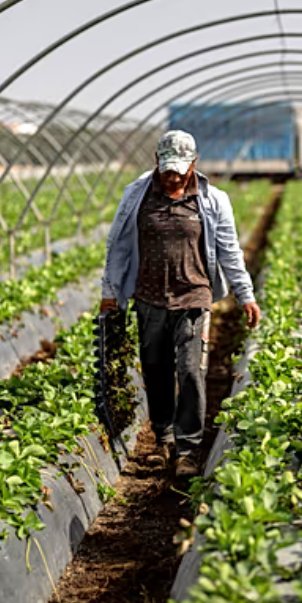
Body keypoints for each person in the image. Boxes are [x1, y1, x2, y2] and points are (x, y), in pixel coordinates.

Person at [101, 130, 261, 478]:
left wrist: (245, 294)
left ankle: (187, 449)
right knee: (155, 368)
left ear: (193, 164)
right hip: (149, 297)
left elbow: (230, 251)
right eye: (167, 169)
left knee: (190, 371)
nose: (172, 177)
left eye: (179, 170)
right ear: (156, 161)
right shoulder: (137, 195)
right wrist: (110, 292)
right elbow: (118, 246)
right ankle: (163, 439)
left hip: (194, 297)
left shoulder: (212, 200)